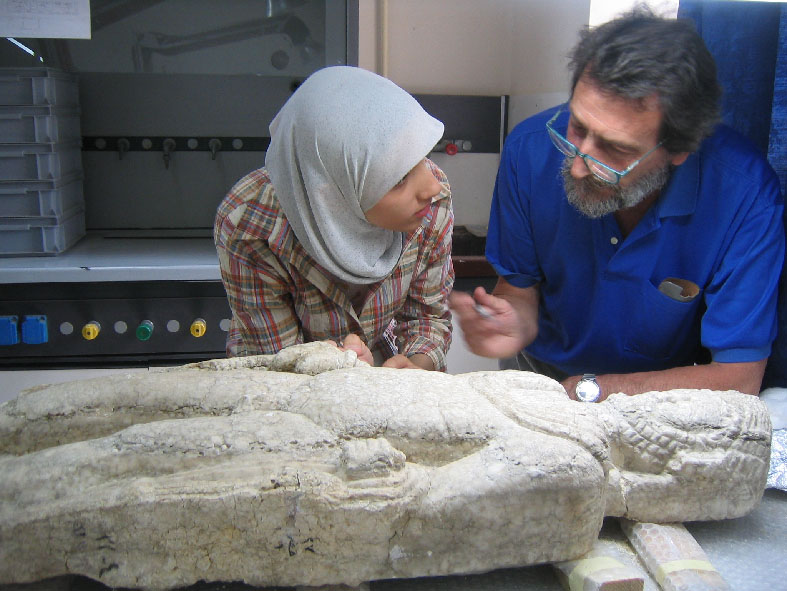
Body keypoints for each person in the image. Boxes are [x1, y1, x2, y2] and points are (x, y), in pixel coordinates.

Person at [450, 9, 784, 399]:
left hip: (667, 397)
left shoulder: (744, 193)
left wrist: (592, 391)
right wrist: (510, 324)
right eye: (577, 126)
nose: (577, 166)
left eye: (615, 148)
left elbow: (739, 377)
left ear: (680, 150)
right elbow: (519, 289)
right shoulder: (529, 151)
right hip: (544, 382)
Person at [215, 66, 454, 371]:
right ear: (334, 192)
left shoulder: (431, 203)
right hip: (278, 373)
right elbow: (281, 365)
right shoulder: (252, 225)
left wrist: (416, 365)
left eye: (421, 157)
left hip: (371, 363)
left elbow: (428, 317)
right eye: (399, 177)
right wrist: (327, 365)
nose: (431, 186)